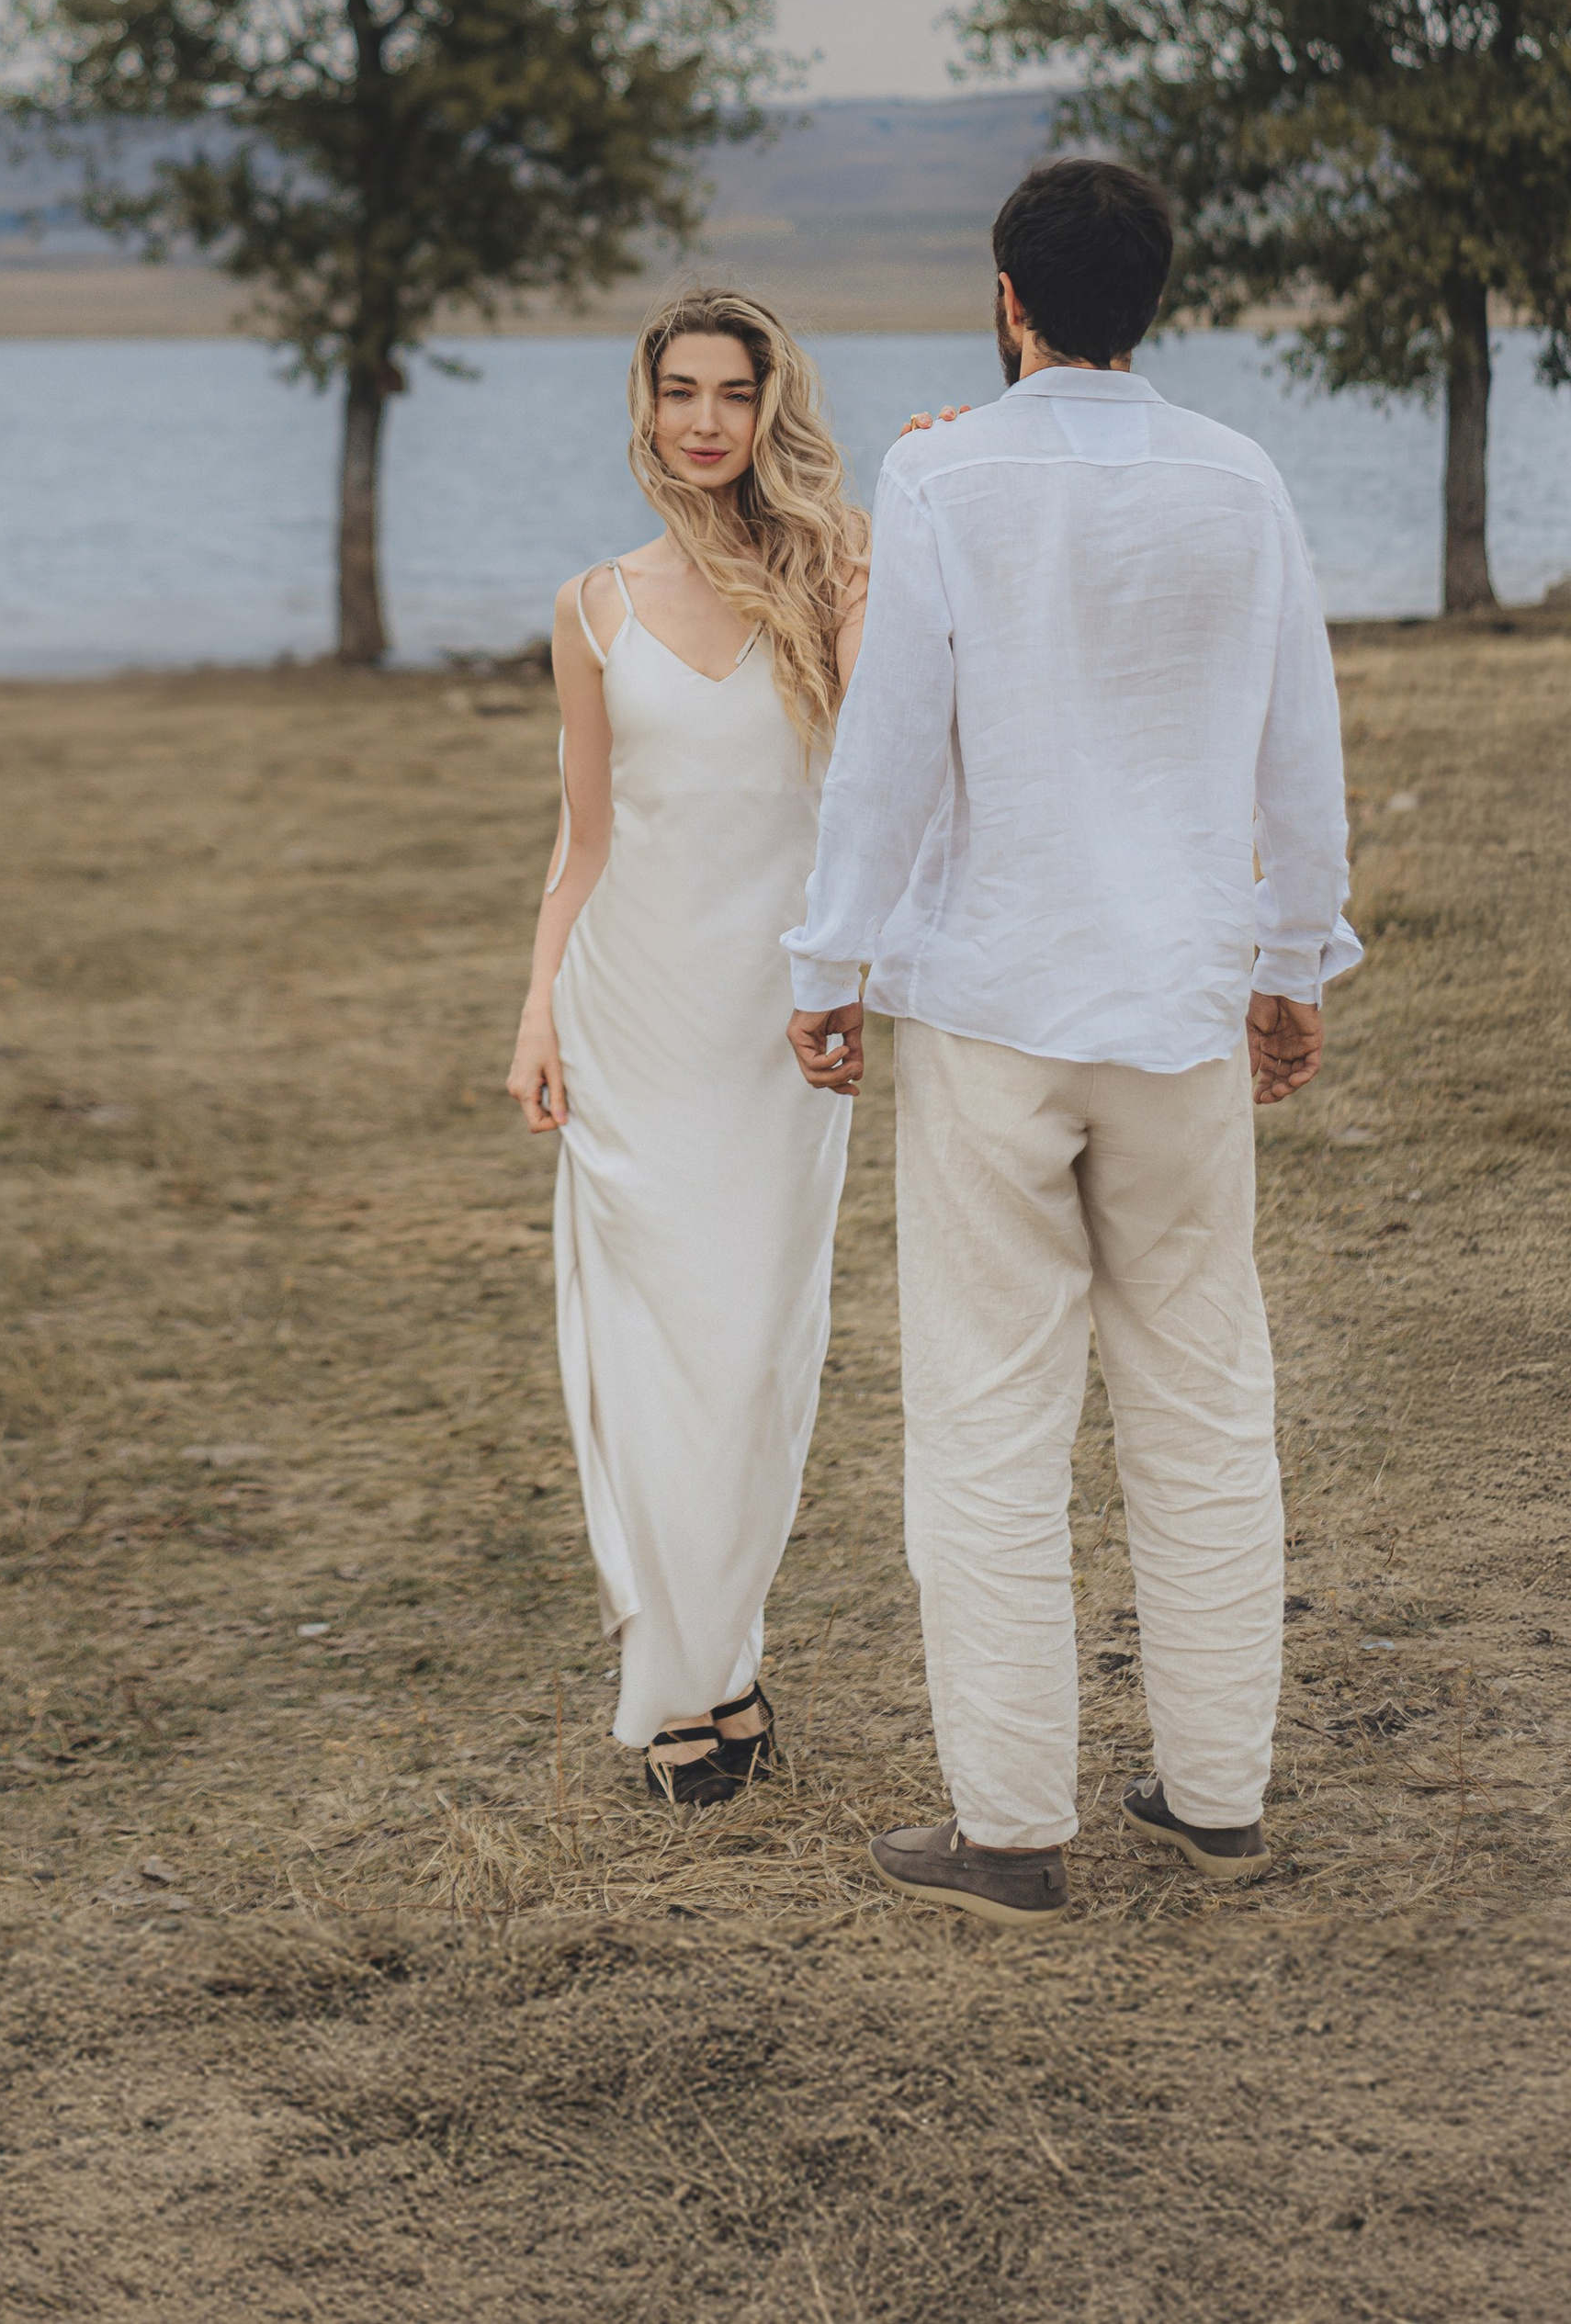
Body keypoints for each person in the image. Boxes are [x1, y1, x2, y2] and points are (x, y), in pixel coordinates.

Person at [785, 159, 1361, 1927]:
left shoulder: (944, 473)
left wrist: (829, 959)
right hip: (1180, 1010)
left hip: (995, 1005)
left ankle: (1015, 1825)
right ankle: (1217, 1793)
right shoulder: (1241, 478)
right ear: (1153, 299)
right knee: (1204, 1399)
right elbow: (1301, 747)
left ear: (1008, 294)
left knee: (986, 1413)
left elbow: (890, 748)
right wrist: (1292, 962)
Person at [510, 291, 868, 1805]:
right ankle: (689, 1688)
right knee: (653, 1354)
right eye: (682, 391)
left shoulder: (839, 570)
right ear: (647, 407)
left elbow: (880, 793)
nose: (708, 419)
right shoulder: (589, 606)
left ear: (770, 406)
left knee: (757, 1353)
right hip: (632, 1011)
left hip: (776, 1025)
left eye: (735, 391)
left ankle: (722, 1649)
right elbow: (584, 840)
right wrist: (537, 1005)